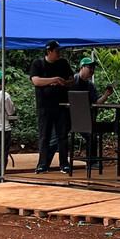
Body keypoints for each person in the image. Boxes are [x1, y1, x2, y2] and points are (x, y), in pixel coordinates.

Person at [29, 40, 75, 174]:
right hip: (45, 106)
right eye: (57, 51)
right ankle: (42, 164)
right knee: (45, 135)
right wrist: (54, 79)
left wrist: (64, 83)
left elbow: (71, 79)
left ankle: (64, 163)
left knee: (62, 135)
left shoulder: (63, 63)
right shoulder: (38, 64)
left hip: (61, 105)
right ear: (49, 52)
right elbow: (36, 81)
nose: (59, 53)